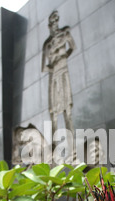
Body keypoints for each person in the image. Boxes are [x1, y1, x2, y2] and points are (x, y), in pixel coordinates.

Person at [42, 11, 76, 139]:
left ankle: (72, 149)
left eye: (56, 22)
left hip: (64, 74)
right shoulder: (47, 45)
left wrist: (64, 58)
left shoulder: (65, 34)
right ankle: (55, 151)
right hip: (54, 77)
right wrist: (54, 67)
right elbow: (43, 67)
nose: (54, 25)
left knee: (68, 111)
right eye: (52, 23)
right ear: (49, 26)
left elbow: (72, 47)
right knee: (54, 114)